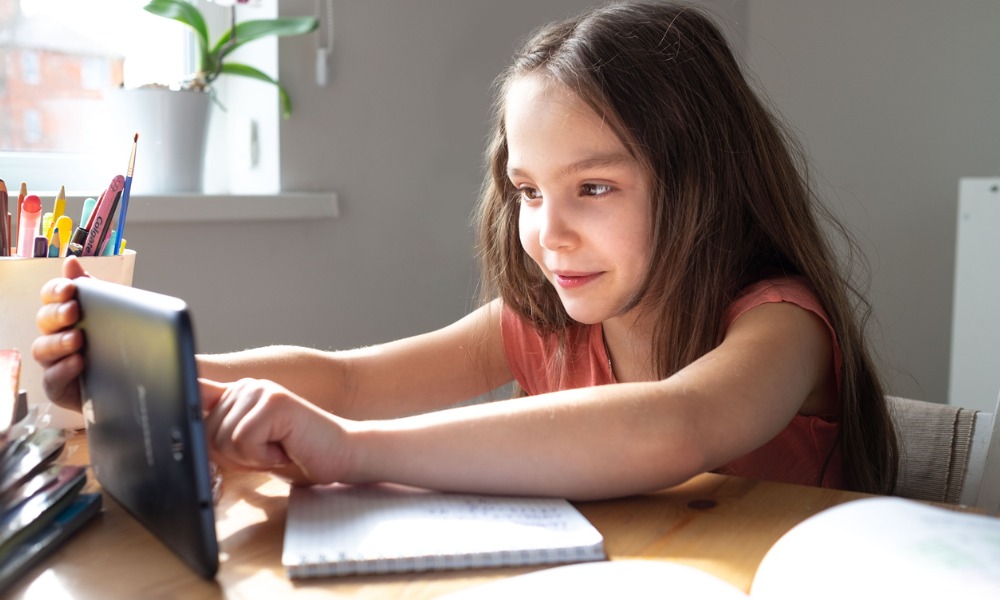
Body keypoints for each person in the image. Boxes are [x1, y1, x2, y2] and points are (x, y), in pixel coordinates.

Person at [33, 2, 897, 500]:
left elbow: (674, 426)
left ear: (701, 180)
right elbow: (354, 381)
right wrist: (142, 370)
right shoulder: (546, 317)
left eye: (593, 188)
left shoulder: (784, 328)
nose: (548, 232)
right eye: (529, 192)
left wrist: (355, 448)